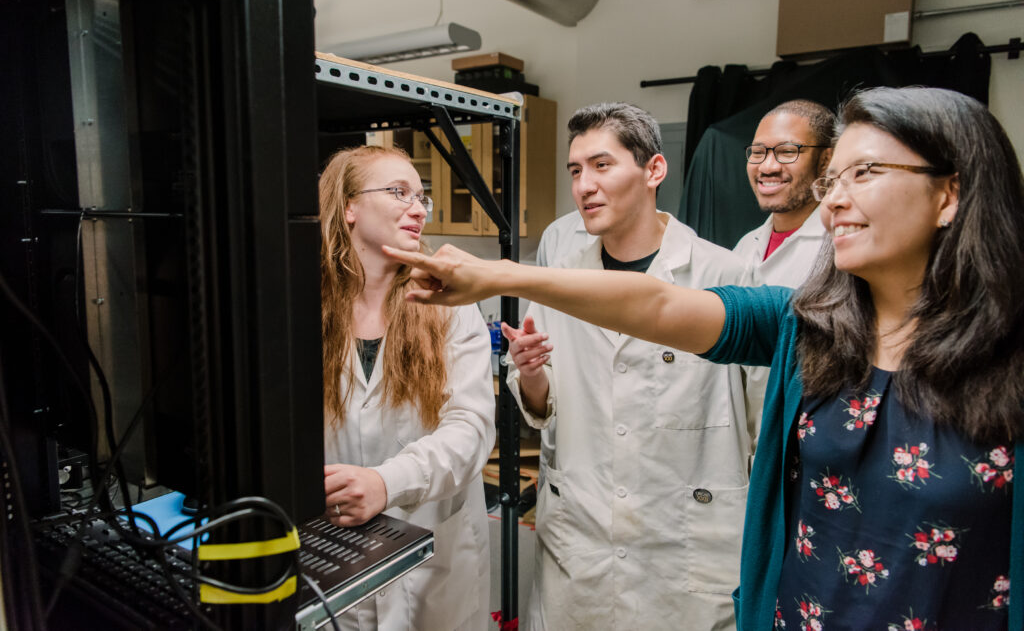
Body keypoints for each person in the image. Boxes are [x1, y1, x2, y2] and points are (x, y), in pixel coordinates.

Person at [384, 87, 1024, 631]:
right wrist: (504, 280)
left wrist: (502, 275)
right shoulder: (805, 328)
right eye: (832, 180)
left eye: (866, 173)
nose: (832, 201)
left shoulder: (1006, 360)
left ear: (950, 194)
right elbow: (660, 306)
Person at [503, 102, 759, 630]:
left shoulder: (724, 273)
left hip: (686, 542)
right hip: (581, 542)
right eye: (575, 171)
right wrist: (531, 376)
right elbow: (542, 407)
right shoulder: (561, 281)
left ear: (654, 171)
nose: (584, 186)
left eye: (602, 165)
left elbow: (760, 413)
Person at [319, 145, 495, 631]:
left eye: (422, 198)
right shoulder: (304, 305)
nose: (418, 208)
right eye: (399, 193)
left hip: (434, 554)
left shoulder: (449, 302)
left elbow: (472, 429)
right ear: (349, 206)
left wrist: (384, 483)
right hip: (337, 557)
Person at [734, 100, 834, 286]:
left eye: (788, 151)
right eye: (757, 152)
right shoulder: (745, 245)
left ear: (825, 161)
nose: (767, 167)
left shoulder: (840, 245)